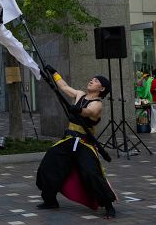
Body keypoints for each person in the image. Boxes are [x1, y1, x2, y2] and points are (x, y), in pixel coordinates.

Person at [36, 65, 117, 219]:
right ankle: (50, 199)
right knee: (49, 164)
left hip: (84, 143)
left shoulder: (98, 103)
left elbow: (90, 112)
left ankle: (108, 206)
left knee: (91, 173)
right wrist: (54, 73)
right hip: (69, 139)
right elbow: (64, 87)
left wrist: (79, 110)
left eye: (96, 81)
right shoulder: (80, 94)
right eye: (92, 79)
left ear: (102, 88)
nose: (91, 81)